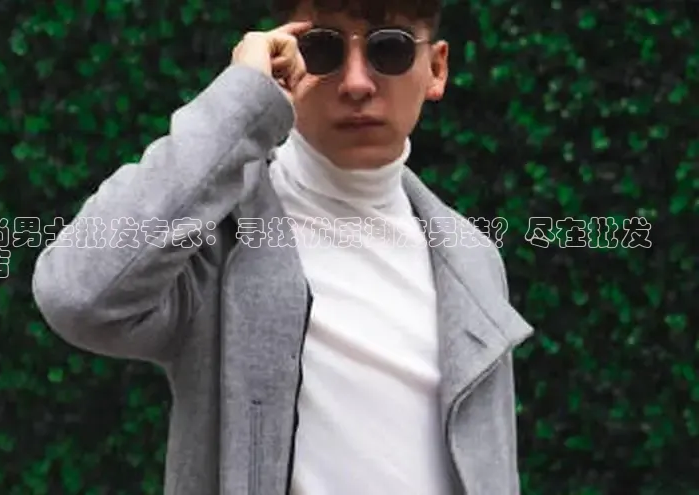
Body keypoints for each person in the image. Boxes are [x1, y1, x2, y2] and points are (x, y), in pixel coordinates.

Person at [31, 0, 535, 493]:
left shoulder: (471, 258)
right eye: (322, 50)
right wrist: (241, 102)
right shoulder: (221, 238)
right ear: (283, 57)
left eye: (390, 49)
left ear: (436, 69)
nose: (357, 82)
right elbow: (76, 293)